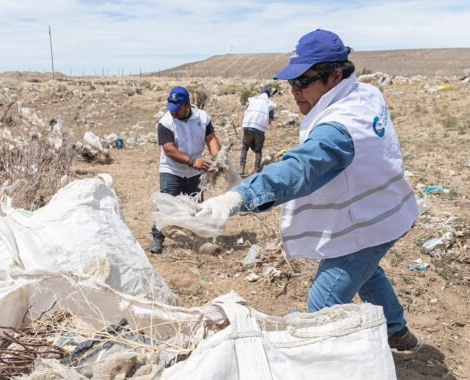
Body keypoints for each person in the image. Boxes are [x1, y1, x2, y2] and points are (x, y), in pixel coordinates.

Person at [196, 29, 420, 351]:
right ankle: (398, 333)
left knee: (322, 302)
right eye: (291, 83)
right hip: (386, 209)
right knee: (368, 274)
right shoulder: (365, 93)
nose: (295, 91)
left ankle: (317, 371)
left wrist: (239, 196)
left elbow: (301, 168)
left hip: (369, 222)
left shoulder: (341, 127)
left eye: (304, 81)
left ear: (336, 75)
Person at [150, 86, 221, 254]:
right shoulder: (165, 122)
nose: (173, 113)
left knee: (196, 207)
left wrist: (218, 158)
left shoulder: (202, 118)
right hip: (172, 169)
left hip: (195, 172)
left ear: (187, 104)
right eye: (171, 109)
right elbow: (169, 149)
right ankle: (157, 238)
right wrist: (191, 161)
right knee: (166, 205)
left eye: (177, 109)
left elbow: (210, 138)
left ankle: (198, 239)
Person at [240, 88, 276, 176]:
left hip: (248, 126)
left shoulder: (253, 100)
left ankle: (241, 169)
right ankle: (256, 170)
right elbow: (270, 119)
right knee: (258, 150)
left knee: (245, 147)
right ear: (268, 95)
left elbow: (247, 111)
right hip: (260, 129)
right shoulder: (270, 104)